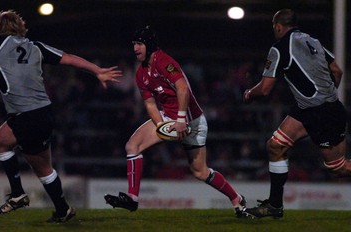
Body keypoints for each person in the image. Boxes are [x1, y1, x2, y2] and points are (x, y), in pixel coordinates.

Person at [0, 8, 121, 223]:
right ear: (20, 27)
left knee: (43, 169)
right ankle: (22, 195)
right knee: (0, 142)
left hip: (28, 116)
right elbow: (69, 58)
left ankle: (60, 209)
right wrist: (97, 70)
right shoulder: (36, 47)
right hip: (36, 112)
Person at [104, 25, 246, 217]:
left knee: (200, 172)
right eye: (133, 44)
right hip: (170, 118)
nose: (135, 48)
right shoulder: (141, 73)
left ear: (149, 44)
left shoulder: (164, 61)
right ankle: (132, 198)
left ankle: (237, 199)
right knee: (132, 146)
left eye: (139, 44)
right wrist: (161, 126)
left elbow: (183, 88)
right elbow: (151, 105)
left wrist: (180, 119)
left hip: (192, 122)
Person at [242, 9, 347, 219]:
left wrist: (248, 93)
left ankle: (275, 205)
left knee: (338, 169)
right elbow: (337, 70)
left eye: (274, 27)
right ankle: (275, 205)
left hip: (321, 114)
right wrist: (328, 95)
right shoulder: (313, 41)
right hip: (312, 109)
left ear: (278, 26)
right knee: (275, 146)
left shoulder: (279, 48)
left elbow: (264, 89)